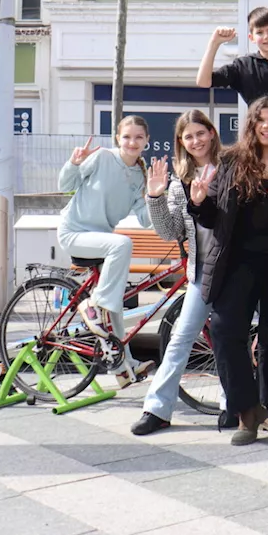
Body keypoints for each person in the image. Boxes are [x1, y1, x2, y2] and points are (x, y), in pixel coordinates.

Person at [188, 97, 268, 446]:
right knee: (224, 329)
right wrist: (199, 203)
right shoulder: (232, 161)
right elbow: (213, 218)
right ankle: (246, 410)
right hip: (238, 261)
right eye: (260, 120)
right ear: (251, 125)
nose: (266, 126)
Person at [133, 111, 224, 435]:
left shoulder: (230, 168)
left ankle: (234, 406)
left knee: (235, 340)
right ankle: (157, 409)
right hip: (203, 273)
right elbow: (170, 231)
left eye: (200, 133)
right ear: (181, 142)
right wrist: (155, 196)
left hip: (237, 270)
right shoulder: (179, 181)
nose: (196, 141)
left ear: (212, 134)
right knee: (181, 338)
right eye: (188, 136)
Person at [57, 117, 154, 387]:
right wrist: (74, 162)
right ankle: (92, 306)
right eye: (127, 137)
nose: (132, 142)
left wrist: (157, 195)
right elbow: (65, 185)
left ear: (147, 141)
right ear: (117, 139)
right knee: (122, 244)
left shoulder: (139, 176)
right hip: (74, 232)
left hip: (100, 239)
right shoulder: (102, 158)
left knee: (116, 309)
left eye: (138, 137)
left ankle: (123, 367)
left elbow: (146, 219)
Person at [196, 8, 268, 130]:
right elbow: (204, 82)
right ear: (251, 37)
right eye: (260, 32)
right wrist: (214, 43)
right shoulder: (243, 66)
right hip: (260, 136)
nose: (266, 36)